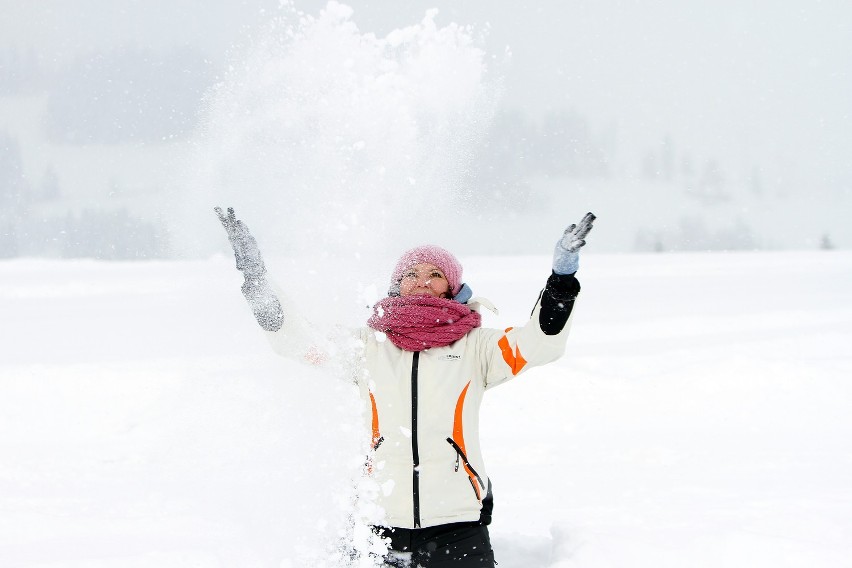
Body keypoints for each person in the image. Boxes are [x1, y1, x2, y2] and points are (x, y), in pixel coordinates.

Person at [215, 207, 595, 567]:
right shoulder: (368, 347)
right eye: (411, 274)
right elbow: (296, 339)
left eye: (435, 274)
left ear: (451, 287)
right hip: (379, 523)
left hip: (458, 526)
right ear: (397, 285)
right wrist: (256, 277)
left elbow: (538, 343)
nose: (422, 281)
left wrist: (562, 279)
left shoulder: (477, 347)